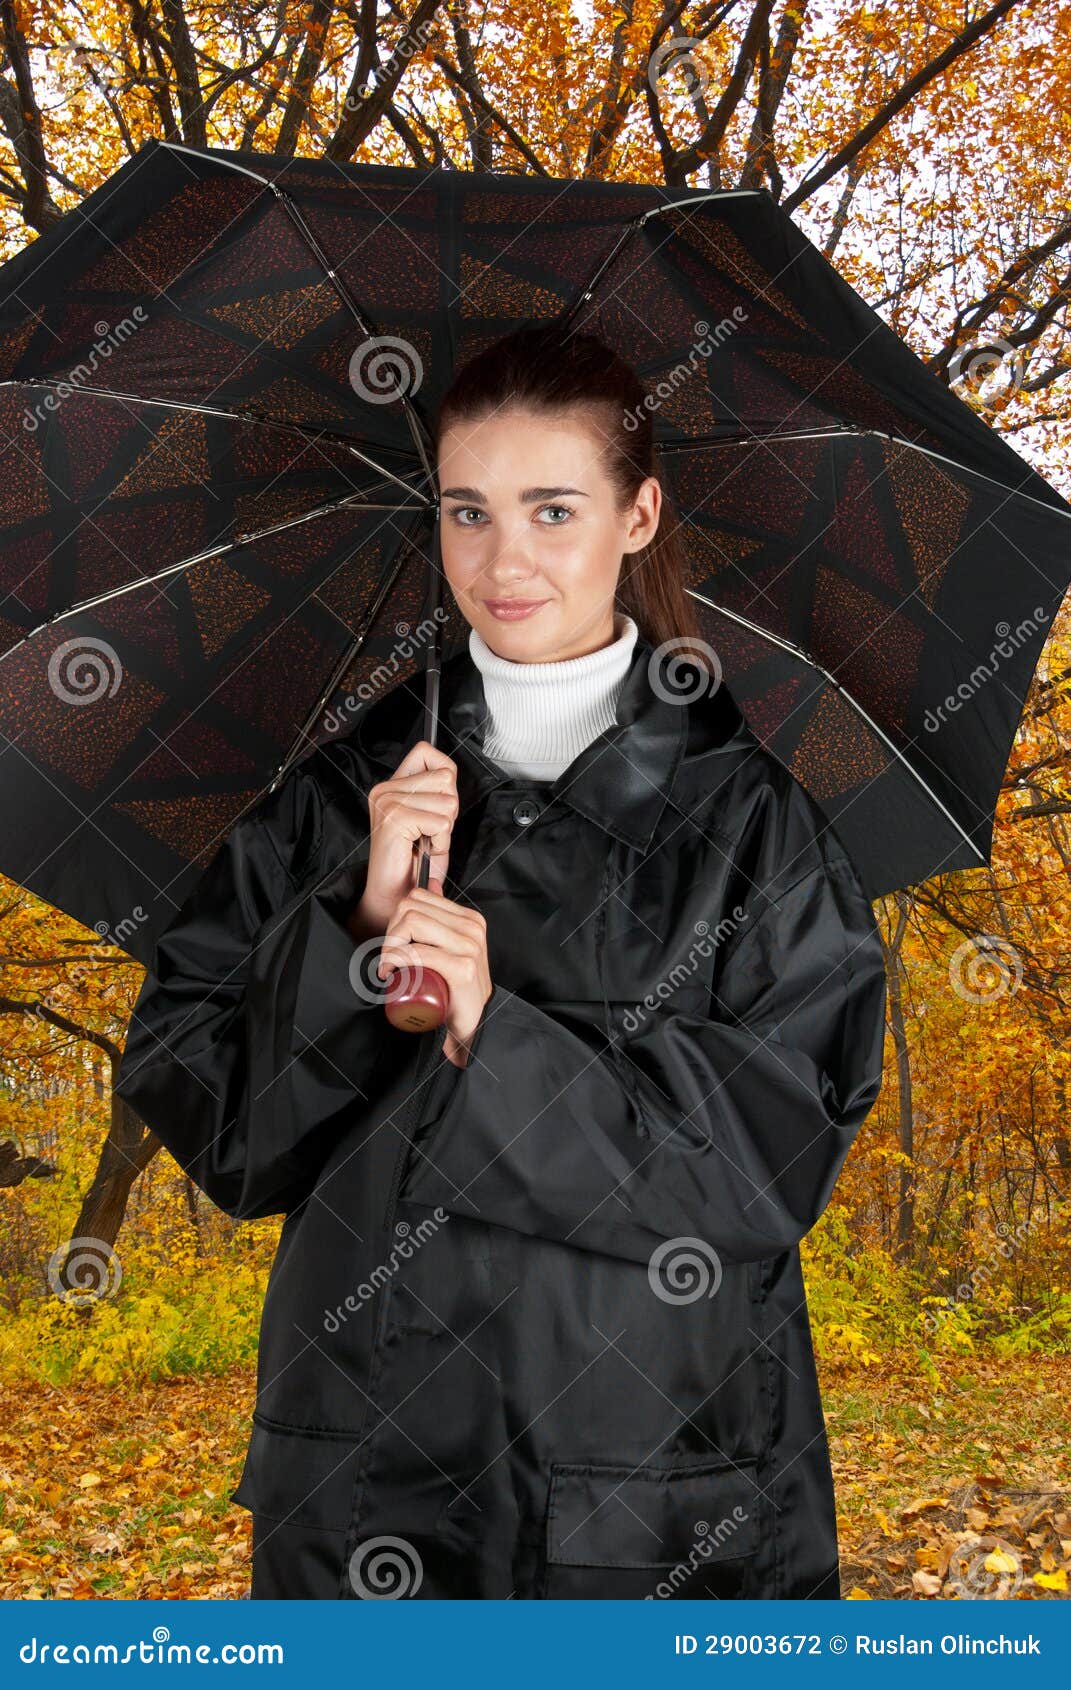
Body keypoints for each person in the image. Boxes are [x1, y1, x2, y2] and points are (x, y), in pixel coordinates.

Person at [113, 323, 888, 1601]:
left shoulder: (756, 826)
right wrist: (355, 933)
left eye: (552, 509)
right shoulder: (338, 800)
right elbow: (229, 1140)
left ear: (639, 516)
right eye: (467, 511)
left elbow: (763, 1166)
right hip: (365, 1482)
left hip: (650, 1506)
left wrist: (495, 1031)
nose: (502, 560)